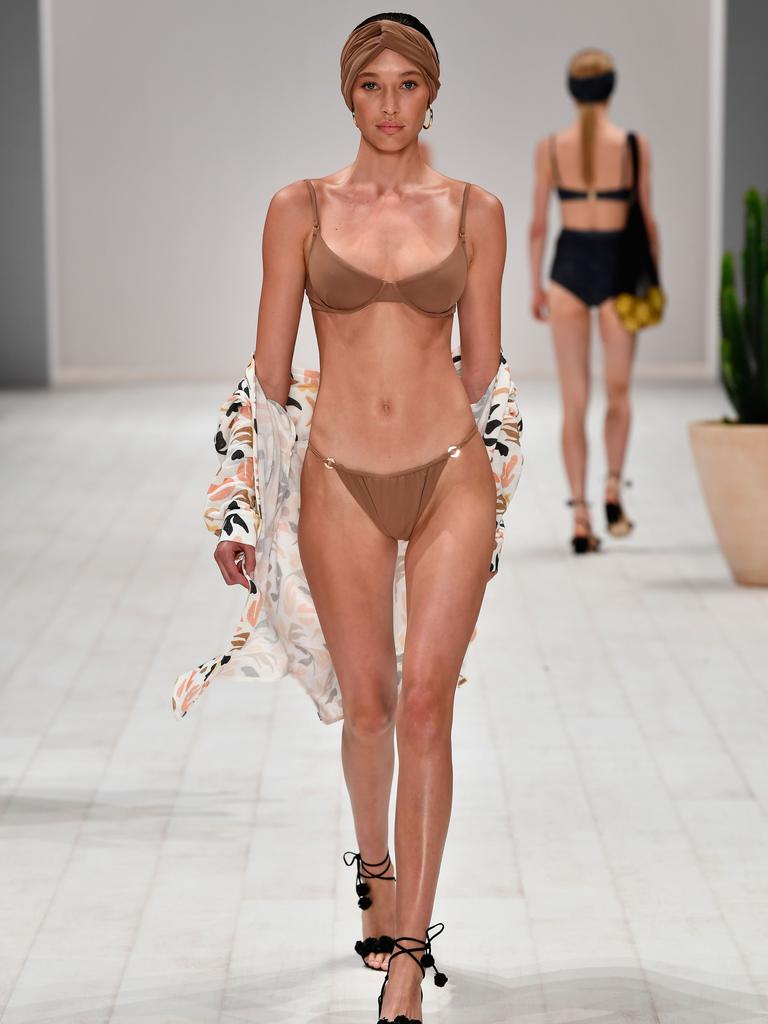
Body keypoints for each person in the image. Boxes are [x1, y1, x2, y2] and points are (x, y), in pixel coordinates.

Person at [203, 12, 521, 1024]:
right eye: (373, 86)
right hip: (337, 476)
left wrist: (494, 479)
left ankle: (410, 961)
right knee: (371, 707)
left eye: (409, 86)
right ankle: (374, 863)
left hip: (447, 477)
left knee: (429, 705)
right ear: (350, 93)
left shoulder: (477, 210)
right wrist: (239, 502)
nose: (391, 106)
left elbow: (482, 367)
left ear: (435, 92)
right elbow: (267, 372)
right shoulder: (297, 208)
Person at [528, 48, 659, 553]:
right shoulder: (632, 145)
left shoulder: (551, 148)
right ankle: (611, 489)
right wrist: (654, 279)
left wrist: (536, 283)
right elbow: (647, 220)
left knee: (573, 400)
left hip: (568, 270)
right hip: (621, 268)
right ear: (611, 87)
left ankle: (580, 518)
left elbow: (540, 223)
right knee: (618, 393)